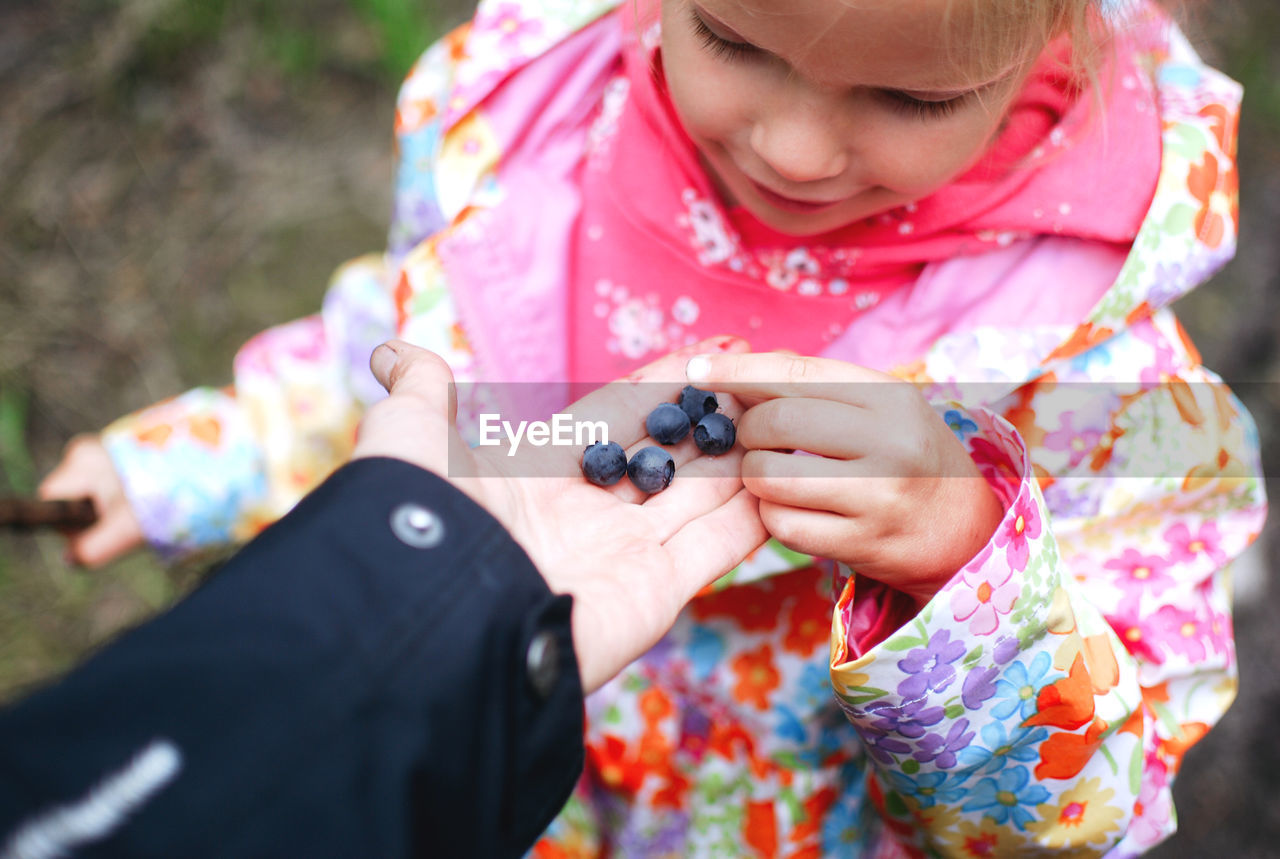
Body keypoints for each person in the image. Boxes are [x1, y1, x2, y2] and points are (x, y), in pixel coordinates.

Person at [38, 0, 1267, 853]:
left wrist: (959, 555)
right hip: (494, 772)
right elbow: (418, 382)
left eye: (906, 94)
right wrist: (184, 462)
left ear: (1056, 35)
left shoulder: (1097, 371)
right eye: (731, 37)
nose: (791, 146)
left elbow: (1086, 809)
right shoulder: (530, 146)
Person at [1, 339, 766, 858]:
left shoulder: (886, 408)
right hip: (477, 786)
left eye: (892, 103)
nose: (794, 152)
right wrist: (167, 465)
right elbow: (317, 392)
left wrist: (895, 563)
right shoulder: (484, 180)